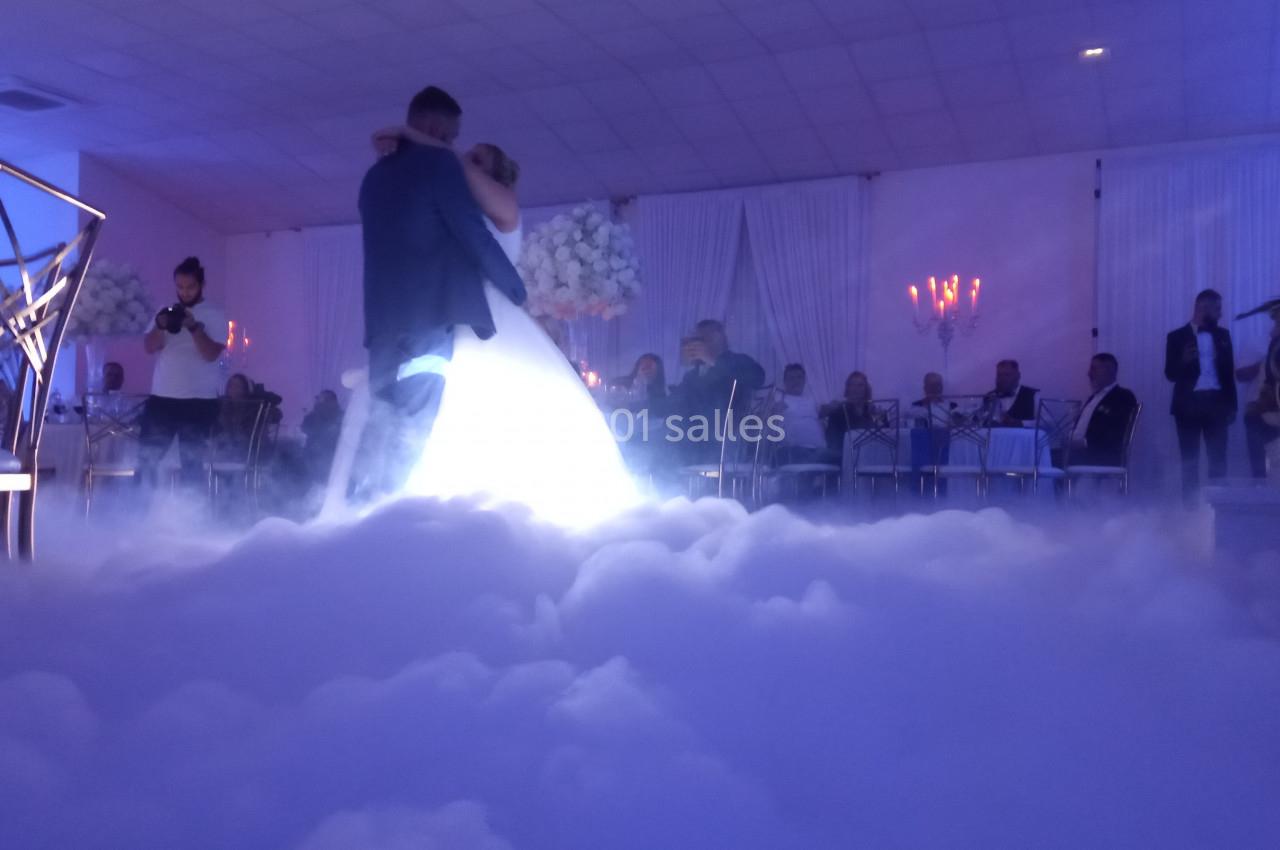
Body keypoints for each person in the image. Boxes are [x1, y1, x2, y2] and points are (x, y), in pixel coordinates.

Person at [371, 120, 637, 526]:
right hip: (456, 318)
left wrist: (411, 135)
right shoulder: (455, 211)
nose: (466, 161)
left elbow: (453, 167)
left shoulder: (504, 205)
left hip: (491, 319)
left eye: (479, 159)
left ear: (493, 173)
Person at [355, 85, 528, 499]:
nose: (454, 145)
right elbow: (472, 235)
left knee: (380, 425)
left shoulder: (374, 176)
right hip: (429, 317)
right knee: (413, 429)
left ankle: (357, 510)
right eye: (451, 136)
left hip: (382, 323)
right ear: (436, 128)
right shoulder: (438, 166)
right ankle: (386, 521)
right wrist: (518, 293)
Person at [138, 256, 228, 489]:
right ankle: (134, 513)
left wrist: (193, 327)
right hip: (162, 399)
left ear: (201, 285)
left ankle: (192, 519)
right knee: (146, 461)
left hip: (199, 402)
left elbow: (211, 354)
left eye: (190, 287)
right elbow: (149, 347)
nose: (185, 293)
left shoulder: (215, 314)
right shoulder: (165, 311)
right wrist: (160, 325)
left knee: (192, 464)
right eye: (180, 287)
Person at [1165, 289, 1237, 498]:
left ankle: (1220, 509)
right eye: (1217, 309)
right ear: (1202, 308)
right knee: (1189, 459)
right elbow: (1170, 374)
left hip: (1217, 403)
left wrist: (1232, 406)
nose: (1220, 314)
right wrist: (1183, 361)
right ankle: (1190, 510)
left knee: (1218, 458)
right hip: (1187, 405)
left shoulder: (1223, 335)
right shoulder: (1176, 337)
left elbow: (1228, 373)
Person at [1069, 353, 1139, 467]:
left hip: (1099, 455)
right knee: (1044, 453)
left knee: (1046, 462)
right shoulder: (1094, 397)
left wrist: (1084, 443)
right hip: (1080, 452)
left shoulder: (1123, 396)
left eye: (1094, 369)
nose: (1089, 374)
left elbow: (1116, 431)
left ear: (1109, 371)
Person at [1236, 301, 1280, 479]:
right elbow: (1241, 375)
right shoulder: (1263, 342)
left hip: (1271, 409)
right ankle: (1260, 486)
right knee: (1260, 464)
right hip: (1261, 409)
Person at [772, 363, 832, 463]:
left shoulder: (811, 400)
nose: (796, 381)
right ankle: (814, 461)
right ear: (785, 381)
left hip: (818, 449)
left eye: (799, 377)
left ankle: (816, 460)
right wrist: (773, 411)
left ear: (804, 380)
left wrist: (833, 406)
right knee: (805, 456)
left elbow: (823, 411)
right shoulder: (778, 397)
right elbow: (764, 417)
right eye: (791, 378)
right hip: (792, 449)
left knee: (842, 457)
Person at [821, 371, 883, 454]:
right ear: (847, 388)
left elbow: (887, 434)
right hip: (846, 457)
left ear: (866, 389)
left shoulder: (872, 409)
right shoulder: (838, 412)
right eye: (852, 385)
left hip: (871, 455)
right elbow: (832, 444)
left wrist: (881, 416)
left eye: (860, 385)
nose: (855, 389)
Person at [301, 389, 343, 485]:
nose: (317, 400)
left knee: (313, 480)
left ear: (326, 399)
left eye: (319, 398)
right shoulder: (339, 413)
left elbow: (304, 428)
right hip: (331, 455)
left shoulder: (316, 413)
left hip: (316, 454)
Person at [983, 359, 1039, 427]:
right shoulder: (989, 396)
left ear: (1018, 376)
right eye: (999, 375)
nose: (1002, 378)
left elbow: (1045, 421)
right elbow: (981, 420)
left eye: (1007, 375)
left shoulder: (1032, 395)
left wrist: (1022, 423)